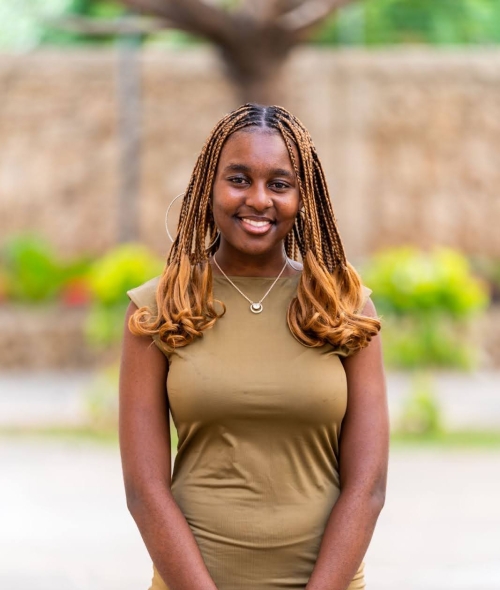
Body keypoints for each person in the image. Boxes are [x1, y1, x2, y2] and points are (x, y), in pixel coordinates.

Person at [119, 103, 388, 590]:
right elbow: (144, 489)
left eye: (279, 184)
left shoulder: (345, 308)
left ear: (303, 196)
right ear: (208, 187)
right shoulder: (160, 307)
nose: (258, 199)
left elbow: (367, 487)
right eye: (239, 179)